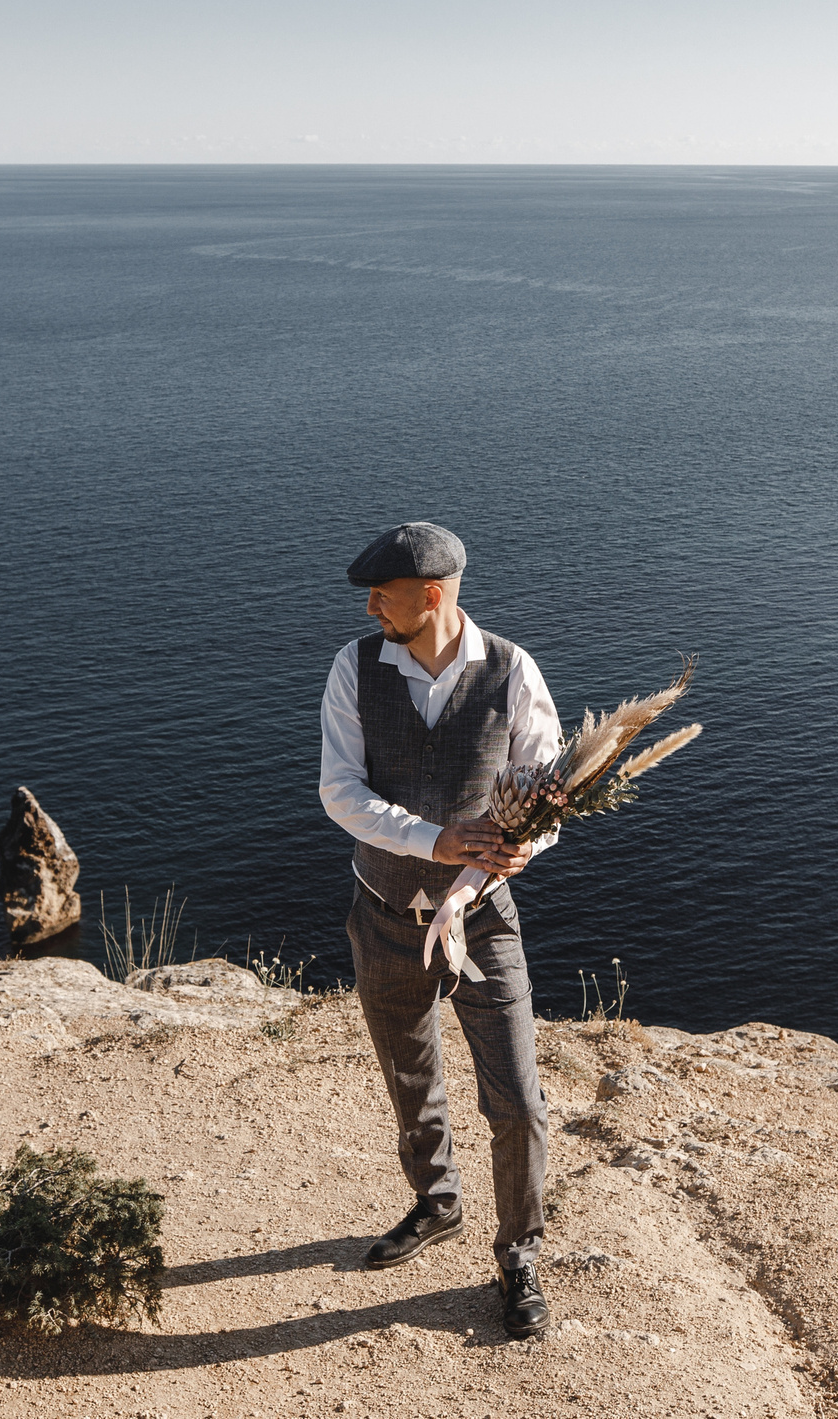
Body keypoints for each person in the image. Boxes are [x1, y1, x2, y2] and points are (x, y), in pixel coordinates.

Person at [318, 520, 559, 1341]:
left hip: (483, 921)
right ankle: (439, 1200)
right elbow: (339, 793)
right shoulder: (353, 668)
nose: (370, 607)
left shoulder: (512, 671)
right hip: (382, 914)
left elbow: (550, 790)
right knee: (409, 1078)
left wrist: (528, 842)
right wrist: (435, 839)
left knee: (519, 1100)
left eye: (383, 594)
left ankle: (519, 1250)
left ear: (432, 593)